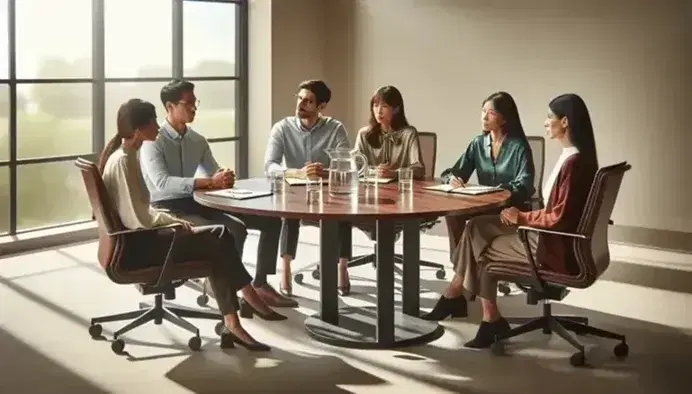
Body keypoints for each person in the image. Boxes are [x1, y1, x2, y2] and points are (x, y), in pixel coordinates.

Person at [99, 99, 287, 352]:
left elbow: (141, 212)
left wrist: (174, 220)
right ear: (139, 129)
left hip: (139, 241)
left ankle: (238, 315)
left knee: (220, 240)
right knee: (221, 236)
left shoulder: (125, 155)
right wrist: (175, 222)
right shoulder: (124, 161)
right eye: (153, 121)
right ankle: (245, 303)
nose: (157, 126)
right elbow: (139, 219)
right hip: (140, 248)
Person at [421, 93, 599, 350]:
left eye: (550, 117)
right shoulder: (572, 156)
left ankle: (469, 304)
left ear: (566, 122)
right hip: (542, 230)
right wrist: (453, 179)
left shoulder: (573, 163)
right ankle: (474, 307)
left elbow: (556, 214)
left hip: (550, 243)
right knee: (473, 228)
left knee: (479, 245)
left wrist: (523, 216)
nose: (546, 122)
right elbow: (454, 171)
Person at [139, 80, 293, 308]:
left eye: (195, 102)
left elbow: (214, 174)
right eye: (188, 103)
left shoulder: (197, 140)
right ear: (170, 107)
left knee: (270, 221)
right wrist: (208, 182)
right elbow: (161, 184)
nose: (194, 108)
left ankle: (260, 284)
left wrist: (224, 176)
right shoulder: (153, 142)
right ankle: (224, 286)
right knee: (234, 228)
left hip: (198, 202)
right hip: (167, 208)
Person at [264, 80, 353, 297]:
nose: (301, 104)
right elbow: (270, 165)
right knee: (289, 212)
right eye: (300, 98)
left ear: (321, 107)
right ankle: (285, 269)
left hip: (327, 191)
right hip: (295, 189)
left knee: (344, 211)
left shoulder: (335, 128)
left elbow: (346, 164)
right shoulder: (282, 128)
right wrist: (295, 173)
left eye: (309, 101)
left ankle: (342, 267)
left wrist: (325, 171)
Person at [440, 91, 535, 262]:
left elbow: (525, 185)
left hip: (510, 208)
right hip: (484, 206)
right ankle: (459, 263)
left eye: (491, 113)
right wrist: (452, 179)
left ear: (505, 118)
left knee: (474, 224)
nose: (484, 117)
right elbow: (452, 172)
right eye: (483, 111)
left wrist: (499, 191)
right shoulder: (478, 143)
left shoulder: (519, 146)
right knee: (453, 214)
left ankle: (464, 270)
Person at [354, 85, 425, 180]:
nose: (379, 111)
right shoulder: (364, 134)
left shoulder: (409, 134)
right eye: (375, 106)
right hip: (370, 188)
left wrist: (395, 174)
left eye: (384, 106)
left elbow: (419, 169)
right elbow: (355, 167)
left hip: (400, 189)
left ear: (396, 109)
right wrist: (375, 172)